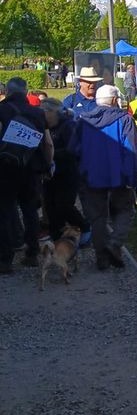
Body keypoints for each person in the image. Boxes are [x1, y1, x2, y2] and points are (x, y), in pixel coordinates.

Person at [71, 84, 137, 271]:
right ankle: (114, 243)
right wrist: (135, 178)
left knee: (98, 218)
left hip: (91, 176)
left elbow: (74, 150)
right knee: (126, 211)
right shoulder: (125, 120)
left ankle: (101, 259)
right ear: (114, 100)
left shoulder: (82, 121)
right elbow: (133, 151)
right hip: (119, 176)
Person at [0, 78, 52, 272]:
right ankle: (32, 253)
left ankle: (5, 259)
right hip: (31, 169)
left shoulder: (1, 110)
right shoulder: (38, 113)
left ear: (7, 91)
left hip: (5, 169)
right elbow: (48, 143)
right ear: (26, 92)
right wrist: (47, 166)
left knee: (5, 212)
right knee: (30, 211)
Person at [39, 98, 85, 244]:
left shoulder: (68, 126)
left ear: (52, 112)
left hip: (68, 173)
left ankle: (85, 228)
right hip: (50, 174)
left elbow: (74, 150)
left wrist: (51, 154)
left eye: (43, 112)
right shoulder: (45, 127)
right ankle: (56, 237)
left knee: (64, 205)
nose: (41, 115)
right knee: (50, 206)